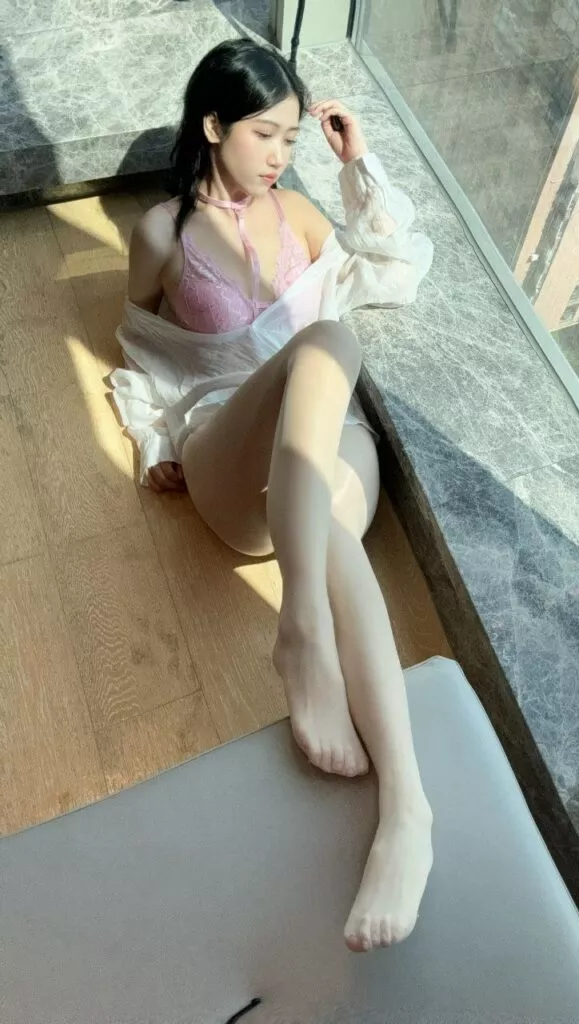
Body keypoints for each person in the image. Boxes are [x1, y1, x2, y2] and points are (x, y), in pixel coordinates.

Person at [111, 38, 434, 953]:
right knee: (326, 342)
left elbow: (390, 264)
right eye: (265, 134)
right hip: (228, 444)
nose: (281, 155)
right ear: (213, 126)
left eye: (292, 137)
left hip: (328, 446)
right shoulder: (161, 235)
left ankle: (407, 812)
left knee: (330, 421)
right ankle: (302, 629)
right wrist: (155, 439)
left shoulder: (297, 210)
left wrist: (355, 162)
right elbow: (139, 350)